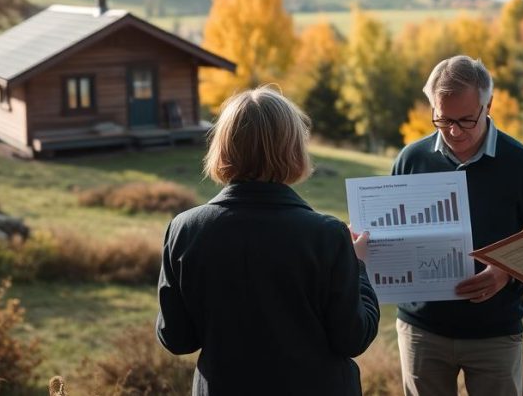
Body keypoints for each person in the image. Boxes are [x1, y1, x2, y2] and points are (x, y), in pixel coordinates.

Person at [156, 86, 380, 395]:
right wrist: (358, 267)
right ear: (293, 149)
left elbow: (176, 339)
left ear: (222, 146)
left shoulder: (184, 229)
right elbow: (353, 338)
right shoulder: (326, 235)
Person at [391, 55, 523, 396]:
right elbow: (392, 233)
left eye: (466, 120)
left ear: (489, 105)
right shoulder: (412, 158)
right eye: (443, 119)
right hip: (421, 330)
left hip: (495, 332)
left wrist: (506, 271)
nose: (454, 131)